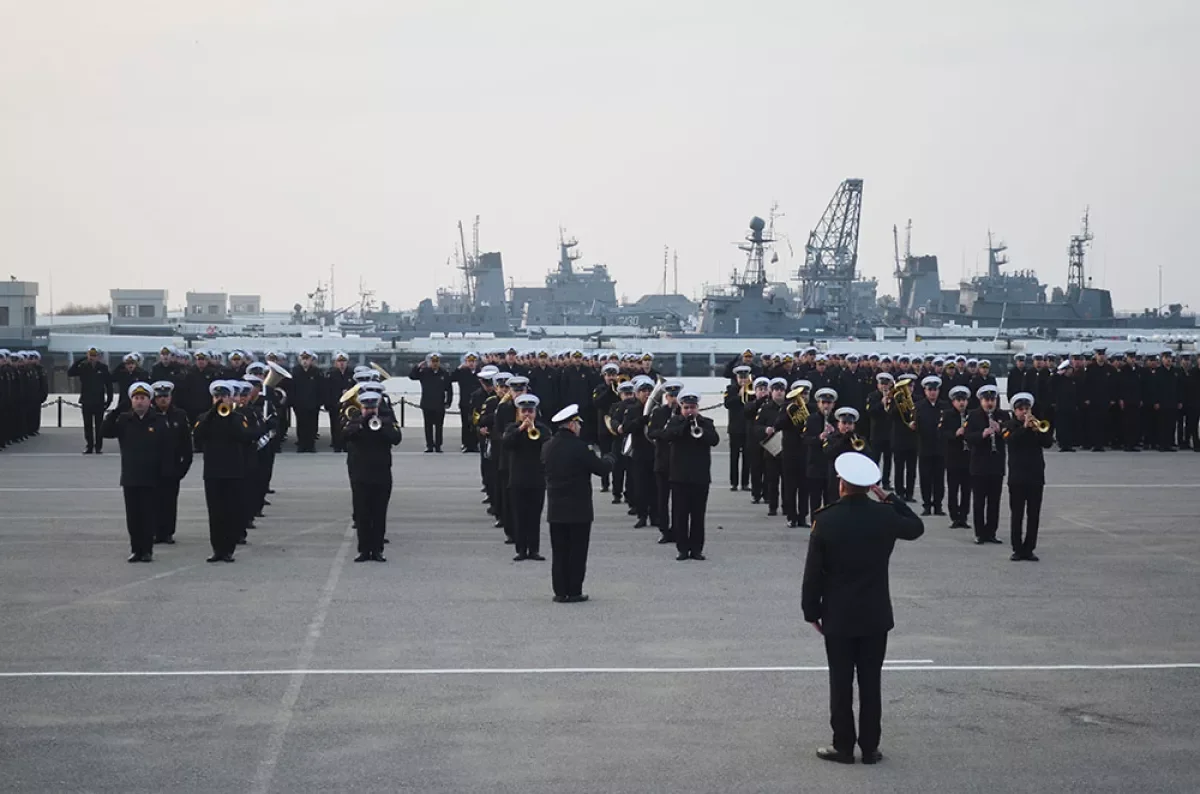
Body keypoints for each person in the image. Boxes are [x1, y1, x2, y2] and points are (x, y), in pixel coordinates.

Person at [801, 452, 924, 765]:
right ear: (870, 487)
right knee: (871, 682)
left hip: (838, 614)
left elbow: (813, 571)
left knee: (840, 683)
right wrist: (890, 498)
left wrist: (810, 610)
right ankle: (870, 747)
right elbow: (916, 527)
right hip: (875, 612)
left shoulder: (826, 518)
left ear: (841, 484)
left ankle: (843, 746)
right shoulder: (884, 516)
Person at [542, 404, 615, 603]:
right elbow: (600, 469)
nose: (580, 427)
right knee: (577, 551)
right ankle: (574, 591)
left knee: (559, 552)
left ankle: (559, 591)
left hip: (556, 507)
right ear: (572, 425)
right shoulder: (579, 447)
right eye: (578, 423)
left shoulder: (548, 446)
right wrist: (610, 459)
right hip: (578, 507)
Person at [101, 381, 170, 562]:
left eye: (143, 399)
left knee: (148, 516)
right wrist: (116, 411)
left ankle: (146, 550)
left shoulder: (159, 421)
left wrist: (164, 473)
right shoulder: (125, 420)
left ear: (150, 401)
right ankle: (135, 549)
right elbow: (105, 431)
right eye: (136, 398)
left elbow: (166, 449)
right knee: (133, 517)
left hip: (151, 477)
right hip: (131, 476)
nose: (139, 402)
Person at [193, 381, 255, 563]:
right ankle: (216, 549)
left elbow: (245, 436)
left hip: (233, 470)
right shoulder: (205, 417)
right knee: (215, 513)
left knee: (230, 512)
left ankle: (228, 549)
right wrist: (212, 414)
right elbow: (197, 435)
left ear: (230, 398)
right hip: (212, 472)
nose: (220, 400)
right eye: (216, 396)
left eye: (224, 396)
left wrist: (229, 416)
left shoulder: (237, 417)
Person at [343, 390, 403, 562]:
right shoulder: (354, 421)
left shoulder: (386, 421)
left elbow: (396, 438)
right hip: (360, 475)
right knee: (362, 514)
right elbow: (345, 436)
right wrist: (361, 424)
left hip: (381, 474)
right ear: (362, 407)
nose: (370, 411)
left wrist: (381, 427)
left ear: (377, 408)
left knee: (379, 514)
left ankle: (377, 550)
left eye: (373, 408)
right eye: (366, 408)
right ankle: (363, 550)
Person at [663, 388, 720, 560]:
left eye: (692, 407)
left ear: (698, 407)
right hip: (679, 477)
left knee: (698, 515)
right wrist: (684, 425)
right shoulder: (674, 422)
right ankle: (682, 549)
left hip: (700, 477)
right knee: (680, 514)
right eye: (686, 407)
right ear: (681, 407)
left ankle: (696, 549)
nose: (689, 411)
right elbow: (667, 436)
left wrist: (699, 429)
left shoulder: (706, 423)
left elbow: (715, 440)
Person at [1003, 392, 1053, 561]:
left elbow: (1048, 443)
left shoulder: (1036, 426)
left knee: (1034, 514)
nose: (1024, 412)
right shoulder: (1009, 425)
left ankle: (1029, 548)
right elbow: (1011, 441)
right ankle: (1017, 548)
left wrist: (1038, 431)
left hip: (1035, 475)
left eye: (1026, 409)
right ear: (1014, 411)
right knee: (1017, 514)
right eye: (1020, 409)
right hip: (1017, 477)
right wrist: (1024, 427)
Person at [502, 392, 550, 561]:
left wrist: (533, 430)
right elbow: (506, 443)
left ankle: (534, 549)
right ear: (519, 412)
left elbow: (548, 445)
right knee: (519, 515)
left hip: (537, 479)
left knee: (534, 516)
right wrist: (521, 429)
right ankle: (521, 550)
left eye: (530, 411)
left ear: (535, 412)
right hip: (517, 479)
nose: (527, 414)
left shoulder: (542, 429)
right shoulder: (512, 428)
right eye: (524, 411)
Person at [150, 380, 193, 545]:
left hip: (172, 467)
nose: (162, 400)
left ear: (170, 397)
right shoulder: (149, 415)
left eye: (165, 396)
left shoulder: (179, 415)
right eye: (159, 397)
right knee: (153, 502)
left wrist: (182, 468)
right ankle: (154, 531)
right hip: (152, 467)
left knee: (169, 502)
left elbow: (186, 444)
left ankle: (167, 532)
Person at [965, 384, 1008, 545]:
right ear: (981, 400)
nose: (989, 403)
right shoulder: (974, 416)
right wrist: (982, 434)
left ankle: (991, 532)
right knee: (979, 501)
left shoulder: (1003, 415)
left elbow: (1010, 435)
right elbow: (968, 437)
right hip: (979, 465)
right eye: (986, 400)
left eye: (992, 399)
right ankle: (979, 533)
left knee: (994, 501)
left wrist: (1001, 430)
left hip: (996, 465)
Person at [67, 346, 114, 454]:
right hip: (86, 400)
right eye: (90, 355)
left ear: (98, 357)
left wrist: (109, 399)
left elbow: (109, 385)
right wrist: (80, 360)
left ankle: (98, 446)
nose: (92, 357)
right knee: (87, 425)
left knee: (99, 425)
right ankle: (89, 445)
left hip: (99, 400)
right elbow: (70, 373)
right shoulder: (83, 366)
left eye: (94, 355)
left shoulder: (103, 368)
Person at [940, 385, 973, 529]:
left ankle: (964, 516)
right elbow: (941, 433)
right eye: (958, 400)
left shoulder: (972, 415)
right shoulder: (947, 415)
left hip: (968, 457)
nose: (961, 403)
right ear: (953, 402)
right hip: (953, 457)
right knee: (953, 488)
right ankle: (954, 516)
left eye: (964, 400)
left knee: (966, 489)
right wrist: (955, 434)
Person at [408, 352, 454, 453]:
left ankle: (438, 445)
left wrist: (448, 401)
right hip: (427, 403)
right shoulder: (424, 372)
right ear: (430, 362)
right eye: (433, 362)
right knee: (428, 426)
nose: (435, 364)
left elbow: (449, 389)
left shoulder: (444, 373)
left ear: (439, 362)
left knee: (439, 426)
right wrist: (418, 366)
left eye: (436, 362)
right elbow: (411, 376)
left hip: (439, 404)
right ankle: (429, 445)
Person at [914, 375, 947, 516]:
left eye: (935, 389)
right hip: (924, 447)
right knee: (925, 478)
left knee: (939, 478)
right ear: (925, 391)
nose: (932, 392)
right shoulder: (918, 406)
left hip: (940, 448)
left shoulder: (945, 406)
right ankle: (927, 505)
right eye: (930, 389)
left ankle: (938, 505)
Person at [724, 365, 754, 491]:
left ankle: (745, 482)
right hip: (735, 428)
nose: (743, 380)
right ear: (736, 378)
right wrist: (739, 395)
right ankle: (734, 482)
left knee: (748, 457)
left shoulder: (752, 390)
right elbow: (727, 404)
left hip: (748, 428)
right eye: (740, 377)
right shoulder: (730, 389)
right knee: (734, 457)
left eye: (745, 377)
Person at [289, 350, 323, 453]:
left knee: (312, 425)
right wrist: (293, 402)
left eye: (307, 359)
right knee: (301, 425)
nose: (305, 361)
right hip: (299, 404)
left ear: (311, 360)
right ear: (299, 359)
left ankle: (311, 445)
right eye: (303, 359)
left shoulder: (316, 372)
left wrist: (320, 402)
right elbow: (292, 388)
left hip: (313, 403)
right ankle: (302, 444)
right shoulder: (295, 371)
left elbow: (321, 388)